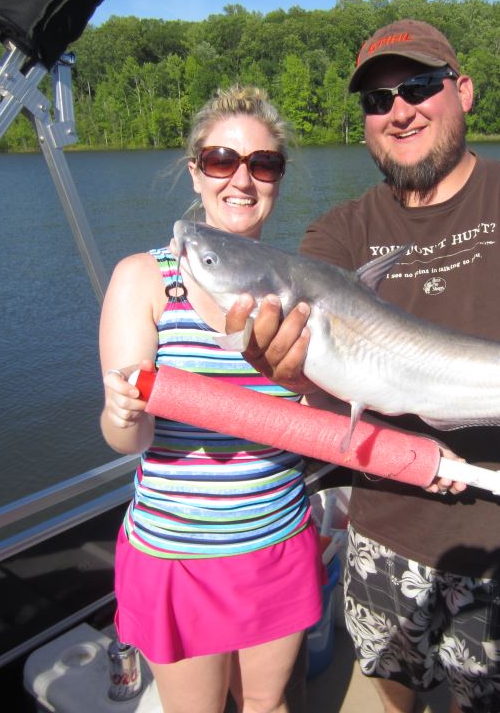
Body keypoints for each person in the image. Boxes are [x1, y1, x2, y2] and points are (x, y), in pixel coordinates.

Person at [224, 20, 500, 713]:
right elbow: (318, 372)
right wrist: (289, 368)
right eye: (377, 101)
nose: (399, 110)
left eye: (419, 86)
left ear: (464, 91)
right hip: (386, 533)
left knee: (495, 701)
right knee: (392, 688)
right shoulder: (337, 234)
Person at [98, 85, 325, 713]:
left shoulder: (301, 285)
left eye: (264, 163)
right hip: (180, 552)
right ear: (196, 172)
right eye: (223, 160)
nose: (243, 180)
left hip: (277, 536)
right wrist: (122, 411)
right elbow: (128, 440)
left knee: (267, 705)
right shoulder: (143, 279)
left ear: (278, 178)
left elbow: (315, 417)